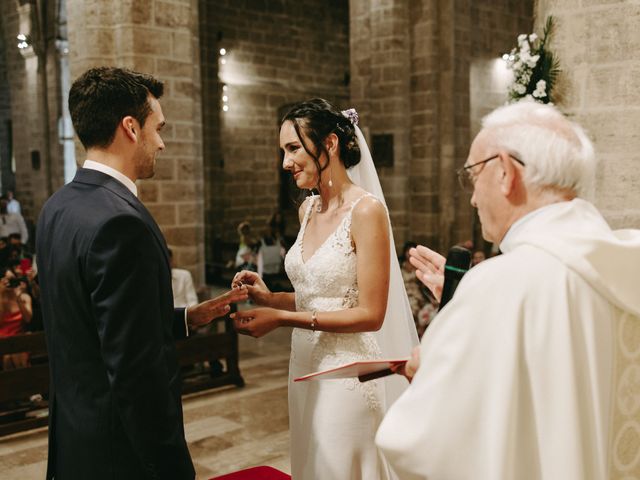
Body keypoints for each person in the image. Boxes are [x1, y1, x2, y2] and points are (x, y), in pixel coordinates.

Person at [375, 100, 640, 479]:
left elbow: (422, 443)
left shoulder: (499, 286)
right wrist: (463, 305)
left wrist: (427, 368)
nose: (472, 198)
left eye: (472, 174)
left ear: (504, 172)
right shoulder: (626, 261)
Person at [36, 67, 247, 480]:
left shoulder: (57, 207)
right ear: (130, 128)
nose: (162, 143)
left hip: (76, 440)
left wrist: (188, 317)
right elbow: (136, 372)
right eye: (158, 128)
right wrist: (171, 466)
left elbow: (92, 327)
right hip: (122, 455)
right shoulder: (121, 222)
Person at [231, 99, 418, 479]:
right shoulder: (308, 210)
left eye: (293, 148)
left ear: (330, 144)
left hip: (346, 374)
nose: (285, 163)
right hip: (302, 367)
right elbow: (320, 295)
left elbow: (370, 313)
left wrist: (282, 317)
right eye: (283, 150)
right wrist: (271, 298)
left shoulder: (366, 212)